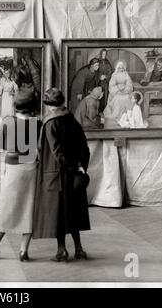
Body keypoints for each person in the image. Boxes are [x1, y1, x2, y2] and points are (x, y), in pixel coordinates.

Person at [0, 88, 41, 261]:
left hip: (13, 169)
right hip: (32, 168)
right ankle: (23, 250)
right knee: (29, 208)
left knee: (5, 209)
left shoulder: (8, 122)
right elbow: (40, 149)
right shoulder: (38, 123)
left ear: (16, 104)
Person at [33, 88, 91, 262]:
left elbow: (56, 152)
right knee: (73, 212)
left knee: (59, 214)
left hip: (57, 175)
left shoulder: (50, 123)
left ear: (48, 104)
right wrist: (80, 167)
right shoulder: (72, 120)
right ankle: (79, 249)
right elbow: (84, 147)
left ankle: (62, 251)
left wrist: (69, 167)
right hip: (74, 175)